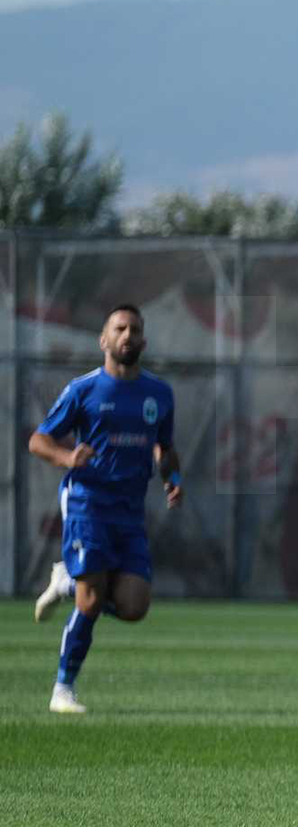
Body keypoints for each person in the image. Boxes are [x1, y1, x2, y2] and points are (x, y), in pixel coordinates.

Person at [29, 304, 182, 714]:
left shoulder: (159, 394)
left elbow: (164, 448)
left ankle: (66, 584)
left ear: (143, 341)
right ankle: (63, 689)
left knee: (134, 606)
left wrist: (173, 478)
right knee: (92, 601)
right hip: (87, 502)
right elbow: (39, 440)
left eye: (134, 329)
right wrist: (66, 458)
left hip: (130, 510)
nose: (127, 335)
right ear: (104, 340)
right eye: (119, 328)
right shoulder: (83, 390)